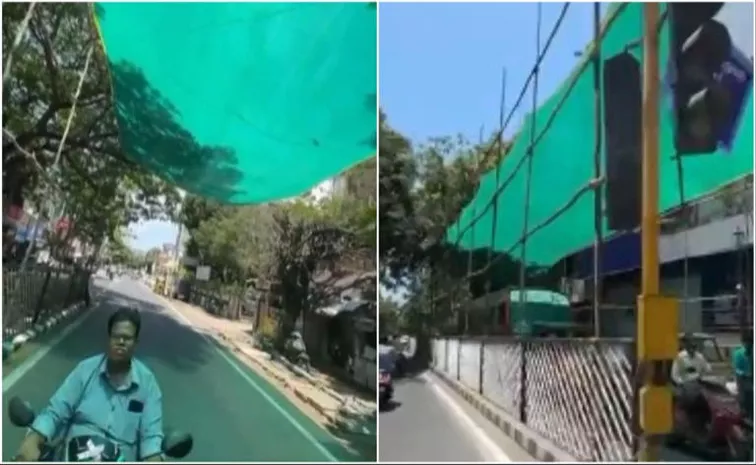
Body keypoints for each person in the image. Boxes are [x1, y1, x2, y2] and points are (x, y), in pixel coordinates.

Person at [16, 307, 164, 462]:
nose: (121, 342)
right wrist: (33, 438)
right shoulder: (86, 370)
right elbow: (56, 411)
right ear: (109, 339)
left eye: (127, 338)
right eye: (116, 336)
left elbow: (151, 437)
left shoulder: (148, 386)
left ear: (136, 343)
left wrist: (154, 458)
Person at [671, 334, 712, 435]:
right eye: (690, 347)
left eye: (694, 347)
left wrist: (705, 371)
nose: (692, 349)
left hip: (698, 384)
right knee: (687, 402)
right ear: (686, 347)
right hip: (685, 385)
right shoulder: (680, 358)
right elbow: (675, 375)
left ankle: (703, 424)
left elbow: (707, 368)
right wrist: (683, 384)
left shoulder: (700, 357)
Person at [732, 328, 753, 421]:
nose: (749, 346)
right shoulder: (738, 353)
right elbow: (737, 369)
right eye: (747, 343)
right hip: (743, 381)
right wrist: (746, 374)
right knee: (744, 401)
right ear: (744, 343)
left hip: (752, 381)